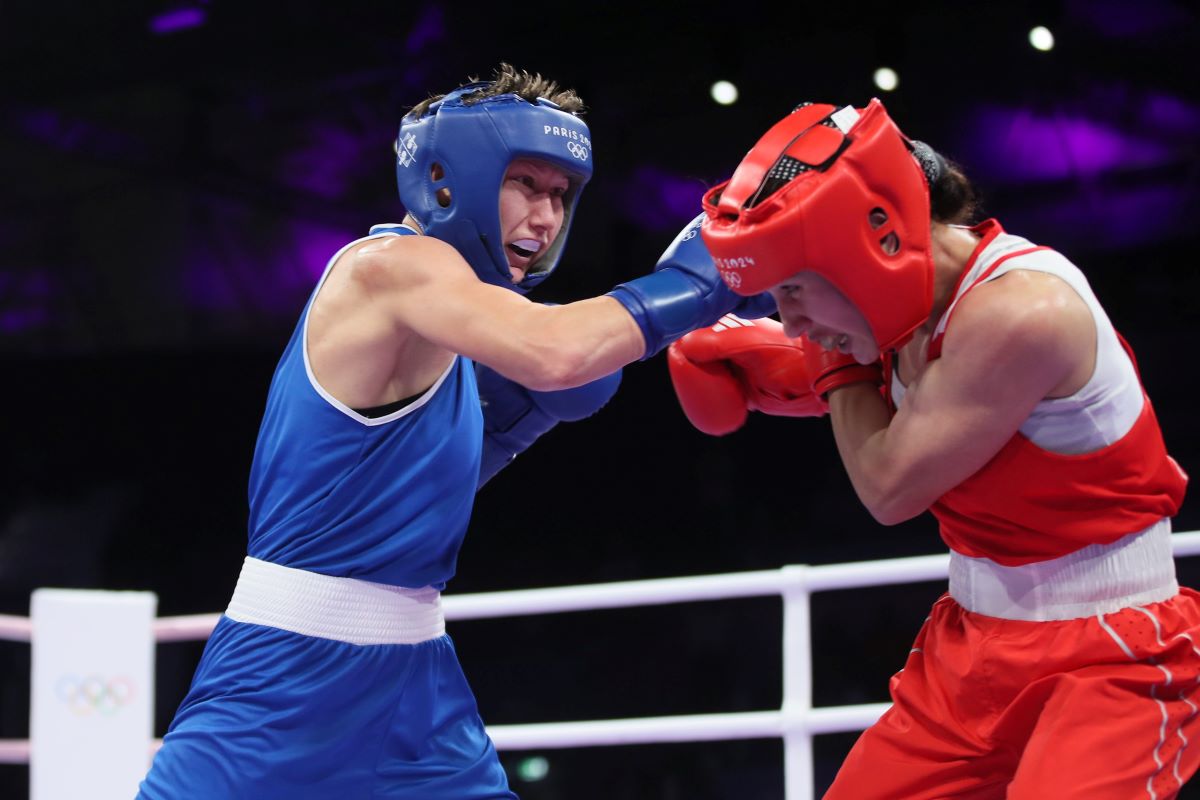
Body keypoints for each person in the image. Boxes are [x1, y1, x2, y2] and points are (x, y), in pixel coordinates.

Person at [136, 63, 772, 799]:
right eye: (526, 185)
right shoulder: (393, 267)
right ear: (448, 179)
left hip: (416, 684)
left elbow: (374, 503)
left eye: (561, 195)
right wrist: (706, 278)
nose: (546, 217)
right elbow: (559, 350)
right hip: (285, 679)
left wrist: (508, 430)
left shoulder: (448, 324)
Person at [668, 98, 1197, 798]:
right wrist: (802, 359)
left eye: (793, 289)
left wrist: (833, 366)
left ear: (867, 250)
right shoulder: (903, 305)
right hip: (973, 647)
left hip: (1112, 659)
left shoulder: (1021, 312)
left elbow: (889, 486)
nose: (788, 319)